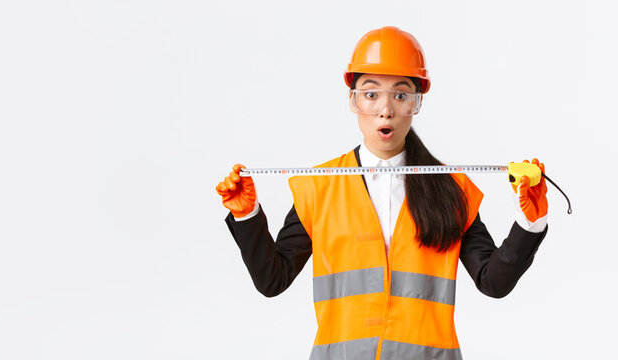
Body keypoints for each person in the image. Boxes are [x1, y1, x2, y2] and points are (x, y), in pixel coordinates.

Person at [214, 26, 549, 360]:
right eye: (371, 94)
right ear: (353, 100)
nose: (385, 109)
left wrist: (529, 223)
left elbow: (493, 282)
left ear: (417, 104)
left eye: (401, 95)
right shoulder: (319, 187)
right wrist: (247, 215)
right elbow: (273, 280)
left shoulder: (452, 188)